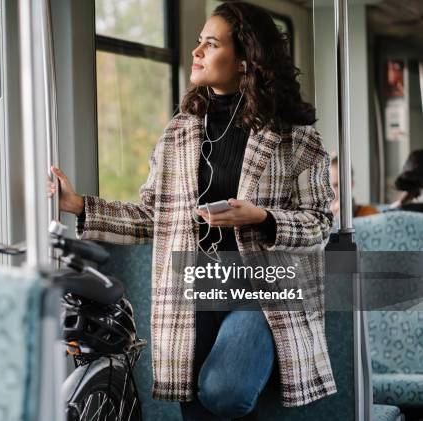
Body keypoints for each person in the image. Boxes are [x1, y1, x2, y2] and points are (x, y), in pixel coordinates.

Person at [48, 2, 336, 419]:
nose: (197, 52)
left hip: (264, 286)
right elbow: (152, 218)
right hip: (194, 285)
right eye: (199, 41)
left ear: (244, 61)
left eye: (212, 43)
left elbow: (319, 226)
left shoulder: (296, 139)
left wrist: (261, 218)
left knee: (225, 390)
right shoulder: (179, 134)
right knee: (194, 402)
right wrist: (78, 206)